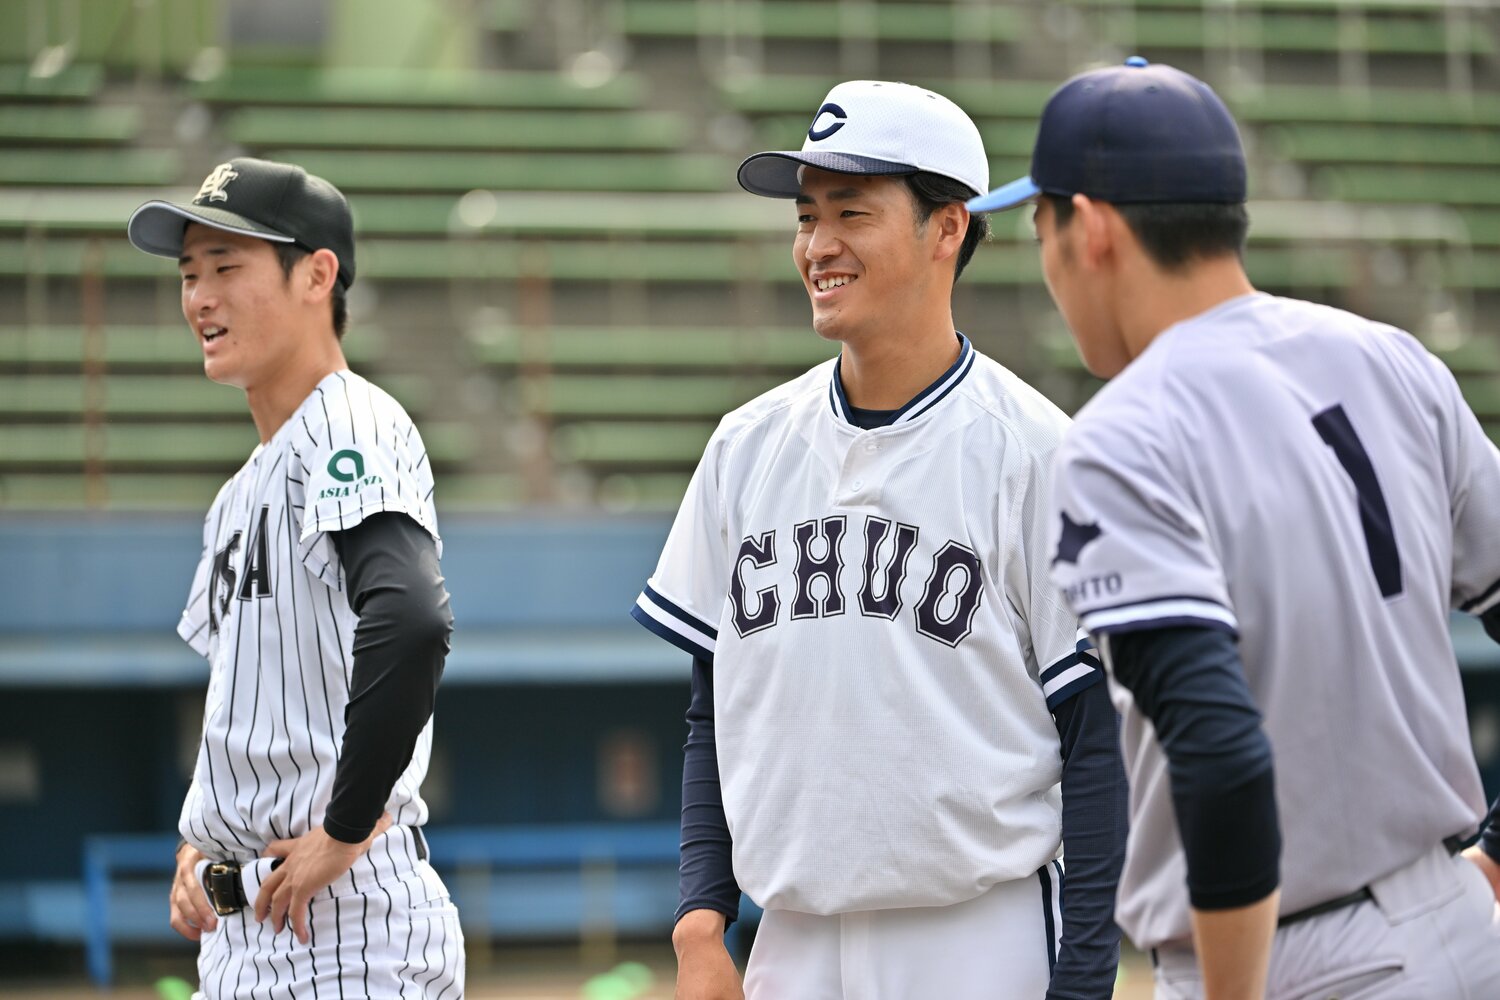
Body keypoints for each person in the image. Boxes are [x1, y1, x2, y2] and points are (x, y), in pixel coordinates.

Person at [967, 57, 1500, 999]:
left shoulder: (1122, 437)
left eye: (1039, 229)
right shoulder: (1394, 361)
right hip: (1460, 929)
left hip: (1294, 962)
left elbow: (1220, 752)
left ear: (1088, 230)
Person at [631, 80, 1128, 1000]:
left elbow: (1097, 740)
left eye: (852, 212)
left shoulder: (1037, 451)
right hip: (788, 937)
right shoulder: (746, 447)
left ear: (948, 228)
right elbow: (713, 710)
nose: (819, 245)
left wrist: (1087, 979)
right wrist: (701, 920)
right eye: (807, 216)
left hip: (977, 934)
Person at [127, 157, 464, 997]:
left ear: (318, 275)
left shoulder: (349, 422)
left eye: (227, 268)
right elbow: (243, 702)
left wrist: (345, 828)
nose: (200, 297)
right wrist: (195, 844)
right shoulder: (241, 489)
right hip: (243, 928)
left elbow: (412, 618)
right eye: (190, 273)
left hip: (345, 923)